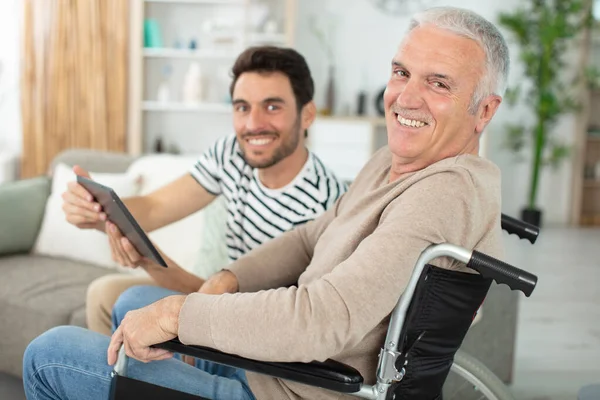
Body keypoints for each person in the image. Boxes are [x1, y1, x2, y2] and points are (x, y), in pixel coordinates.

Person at [23, 6, 510, 400]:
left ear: (484, 110)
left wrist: (179, 314)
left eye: (439, 83)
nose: (406, 96)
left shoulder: (445, 191)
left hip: (299, 384)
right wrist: (225, 280)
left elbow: (321, 319)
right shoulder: (393, 163)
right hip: (281, 364)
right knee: (131, 301)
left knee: (49, 354)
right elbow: (310, 236)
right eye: (402, 72)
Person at [66, 46, 347, 335]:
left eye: (272, 107)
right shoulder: (231, 153)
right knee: (104, 295)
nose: (253, 124)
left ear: (308, 114)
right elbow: (154, 207)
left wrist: (152, 264)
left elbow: (257, 316)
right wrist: (94, 208)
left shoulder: (323, 206)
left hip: (257, 327)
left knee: (126, 304)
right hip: (220, 296)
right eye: (242, 107)